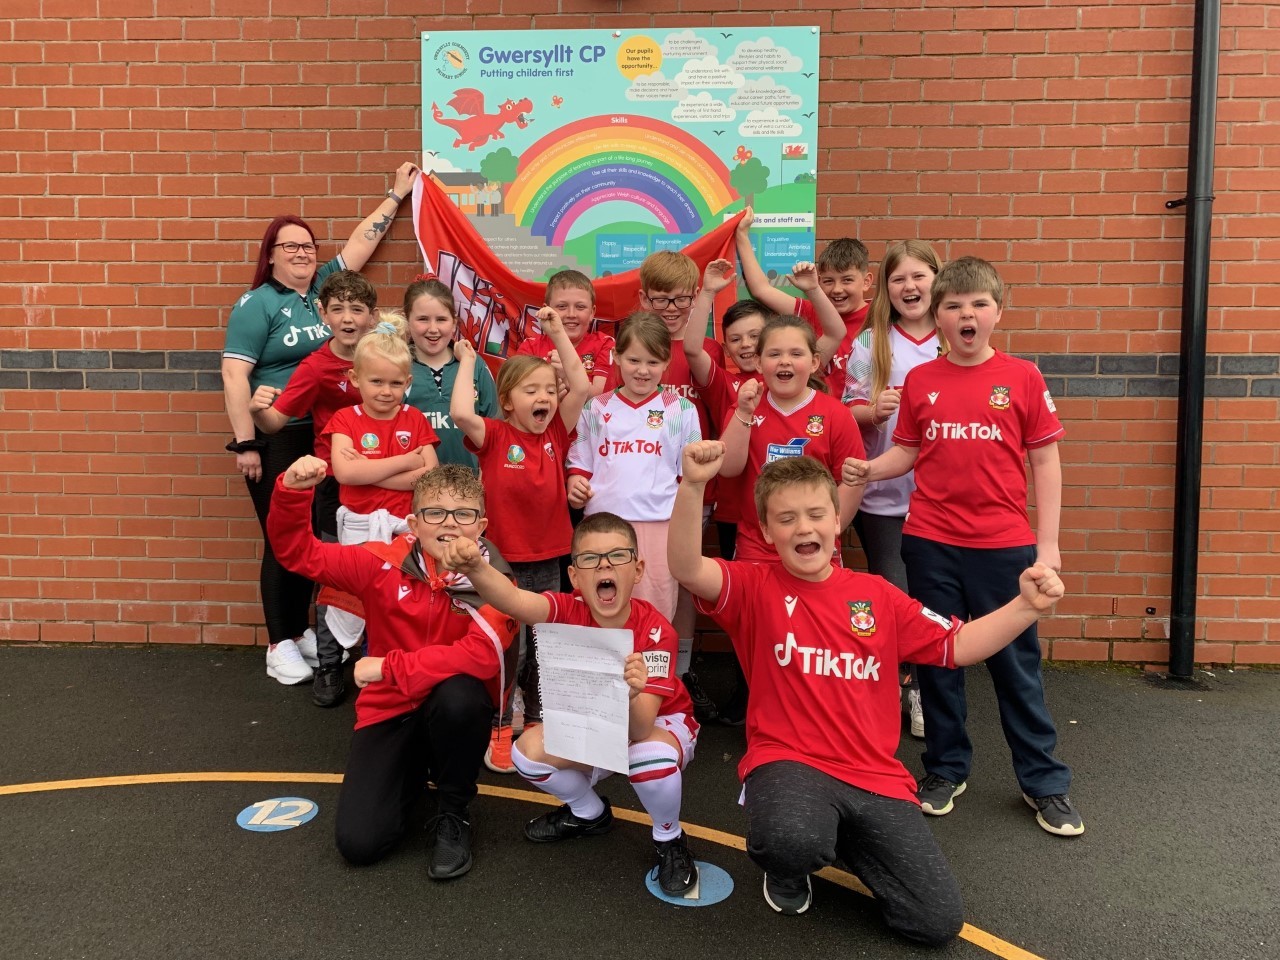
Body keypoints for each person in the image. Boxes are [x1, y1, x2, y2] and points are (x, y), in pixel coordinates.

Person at [668, 443, 1066, 940]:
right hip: (790, 761)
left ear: (837, 521)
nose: (803, 527)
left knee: (935, 922)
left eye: (816, 513)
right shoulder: (754, 586)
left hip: (875, 775)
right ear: (768, 532)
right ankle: (791, 864)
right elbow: (686, 567)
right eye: (786, 518)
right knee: (790, 838)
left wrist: (1025, 607)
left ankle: (842, 835)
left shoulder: (877, 595)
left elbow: (957, 645)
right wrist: (692, 486)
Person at [843, 256, 1082, 837]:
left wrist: (1046, 546)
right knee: (937, 659)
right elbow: (906, 454)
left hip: (1004, 547)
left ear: (998, 312)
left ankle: (1043, 782)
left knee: (1015, 665)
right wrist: (864, 470)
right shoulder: (921, 382)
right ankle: (946, 769)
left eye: (978, 304)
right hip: (929, 542)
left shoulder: (1023, 376)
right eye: (954, 305)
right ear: (939, 316)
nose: (966, 314)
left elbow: (1045, 460)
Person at [268, 458, 517, 879]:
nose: (450, 524)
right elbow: (298, 554)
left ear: (482, 526)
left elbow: (480, 656)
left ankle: (454, 811)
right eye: (435, 513)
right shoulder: (380, 562)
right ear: (413, 523)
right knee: (360, 844)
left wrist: (390, 667)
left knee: (461, 695)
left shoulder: (497, 579)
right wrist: (291, 493)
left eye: (464, 514)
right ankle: (413, 768)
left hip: (447, 704)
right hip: (390, 708)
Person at [222, 161, 419, 685]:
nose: (302, 253)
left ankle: (308, 632)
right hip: (277, 433)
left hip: (324, 432)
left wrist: (396, 195)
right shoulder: (258, 304)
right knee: (281, 533)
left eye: (307, 246)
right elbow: (233, 374)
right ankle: (279, 641)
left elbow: (361, 242)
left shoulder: (326, 291)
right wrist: (246, 440)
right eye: (289, 247)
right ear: (271, 255)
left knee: (316, 532)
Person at [442, 512, 701, 898]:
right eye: (591, 559)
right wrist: (477, 567)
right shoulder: (568, 610)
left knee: (648, 758)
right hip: (597, 718)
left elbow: (639, 730)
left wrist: (630, 694)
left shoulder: (656, 631)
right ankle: (589, 814)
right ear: (575, 576)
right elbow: (513, 599)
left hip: (656, 723)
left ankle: (669, 838)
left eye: (617, 556)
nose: (605, 566)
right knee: (526, 754)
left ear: (639, 569)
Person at [451, 306, 591, 773]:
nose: (544, 398)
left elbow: (583, 383)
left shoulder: (555, 430)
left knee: (544, 645)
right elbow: (459, 411)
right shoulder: (493, 434)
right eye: (531, 391)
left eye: (549, 391)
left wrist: (555, 330)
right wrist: (469, 360)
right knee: (507, 644)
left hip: (550, 558)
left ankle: (536, 719)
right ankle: (500, 722)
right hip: (503, 564)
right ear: (507, 400)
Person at [248, 269, 380, 704]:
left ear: (372, 317)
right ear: (323, 314)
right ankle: (328, 665)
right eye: (338, 308)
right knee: (336, 572)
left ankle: (378, 658)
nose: (347, 318)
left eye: (357, 309)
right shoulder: (317, 365)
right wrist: (259, 411)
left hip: (386, 483)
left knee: (386, 568)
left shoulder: (386, 355)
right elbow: (276, 421)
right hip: (335, 487)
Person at [842, 240, 944, 740]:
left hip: (941, 498)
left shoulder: (954, 338)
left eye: (919, 276)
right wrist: (872, 410)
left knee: (933, 601)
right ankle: (899, 689)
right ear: (886, 289)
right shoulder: (870, 344)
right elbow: (847, 411)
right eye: (899, 278)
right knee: (895, 596)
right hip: (884, 495)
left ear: (936, 279)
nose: (910, 286)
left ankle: (929, 693)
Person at [626, 249, 726, 721]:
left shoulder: (701, 351)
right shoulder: (629, 351)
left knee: (684, 582)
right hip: (633, 497)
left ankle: (679, 671)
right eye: (661, 299)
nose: (670, 309)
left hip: (687, 492)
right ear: (643, 299)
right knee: (634, 582)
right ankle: (630, 675)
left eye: (680, 300)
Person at [566, 312, 702, 622]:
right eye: (634, 360)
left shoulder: (682, 410)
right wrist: (574, 483)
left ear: (667, 362)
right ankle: (604, 668)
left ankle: (653, 668)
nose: (643, 370)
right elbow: (580, 462)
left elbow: (689, 477)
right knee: (600, 603)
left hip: (658, 525)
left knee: (655, 607)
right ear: (617, 357)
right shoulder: (596, 407)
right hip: (602, 525)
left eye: (653, 362)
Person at [323, 312, 440, 652]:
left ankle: (394, 669)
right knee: (350, 599)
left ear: (407, 382)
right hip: (359, 532)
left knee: (399, 606)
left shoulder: (414, 418)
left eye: (395, 383)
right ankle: (338, 666)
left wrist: (370, 473)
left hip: (404, 532)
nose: (386, 392)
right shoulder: (345, 419)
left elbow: (429, 478)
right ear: (355, 377)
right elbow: (346, 474)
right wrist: (406, 462)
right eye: (376, 382)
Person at [717, 315, 866, 564]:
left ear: (814, 362)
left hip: (816, 548)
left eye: (796, 354)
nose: (784, 361)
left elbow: (852, 482)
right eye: (774, 354)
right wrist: (744, 413)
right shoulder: (743, 408)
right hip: (757, 548)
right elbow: (728, 469)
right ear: (758, 362)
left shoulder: (836, 414)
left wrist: (829, 533)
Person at [735, 206, 873, 395]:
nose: (837, 289)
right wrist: (741, 236)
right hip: (817, 420)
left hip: (867, 418)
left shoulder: (880, 317)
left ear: (866, 282)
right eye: (828, 281)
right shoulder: (811, 311)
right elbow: (761, 289)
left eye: (847, 280)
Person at [401, 274, 499, 471]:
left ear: (454, 323)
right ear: (407, 320)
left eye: (441, 319)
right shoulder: (397, 365)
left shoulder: (472, 363)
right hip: (414, 486)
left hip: (470, 487)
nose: (433, 328)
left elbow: (493, 427)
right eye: (423, 319)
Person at [516, 269, 614, 395]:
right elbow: (519, 395)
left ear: (592, 312)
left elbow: (602, 398)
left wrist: (568, 377)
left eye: (580, 307)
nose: (571, 314)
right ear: (546, 309)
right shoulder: (530, 347)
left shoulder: (605, 344)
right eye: (562, 306)